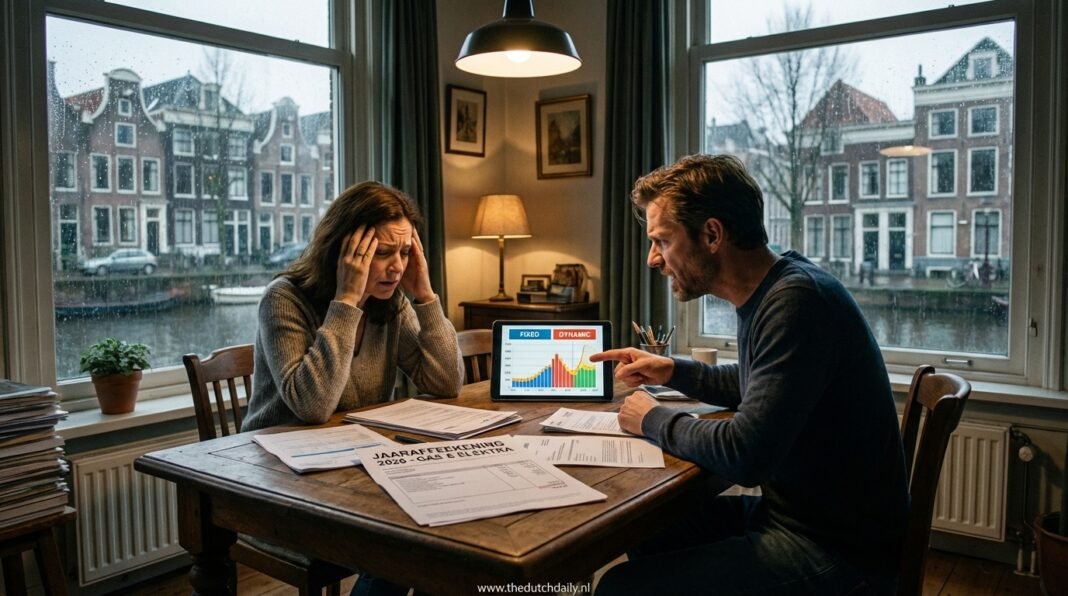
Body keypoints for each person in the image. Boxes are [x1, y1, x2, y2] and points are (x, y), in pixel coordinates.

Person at [590, 154, 908, 595]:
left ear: (713, 234)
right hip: (803, 520)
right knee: (649, 528)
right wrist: (672, 369)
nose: (652, 260)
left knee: (620, 587)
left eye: (661, 240)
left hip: (840, 552)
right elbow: (759, 382)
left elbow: (746, 454)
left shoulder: (797, 302)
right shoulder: (779, 288)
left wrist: (653, 418)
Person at [243, 180, 464, 596]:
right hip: (281, 480)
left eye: (403, 252)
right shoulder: (284, 299)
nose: (396, 267)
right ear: (344, 252)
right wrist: (347, 301)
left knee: (446, 532)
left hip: (358, 466)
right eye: (382, 253)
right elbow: (312, 406)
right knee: (404, 545)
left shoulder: (393, 301)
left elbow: (446, 381)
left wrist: (425, 295)